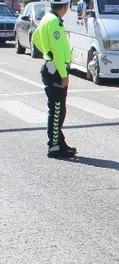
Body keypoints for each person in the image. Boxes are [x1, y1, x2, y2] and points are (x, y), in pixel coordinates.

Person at [31, 0, 76, 158]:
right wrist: (64, 74)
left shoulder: (47, 18)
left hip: (52, 67)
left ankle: (59, 142)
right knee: (57, 110)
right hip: (56, 70)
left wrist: (46, 53)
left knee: (58, 109)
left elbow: (35, 38)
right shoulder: (54, 22)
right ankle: (54, 146)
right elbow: (57, 50)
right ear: (65, 7)